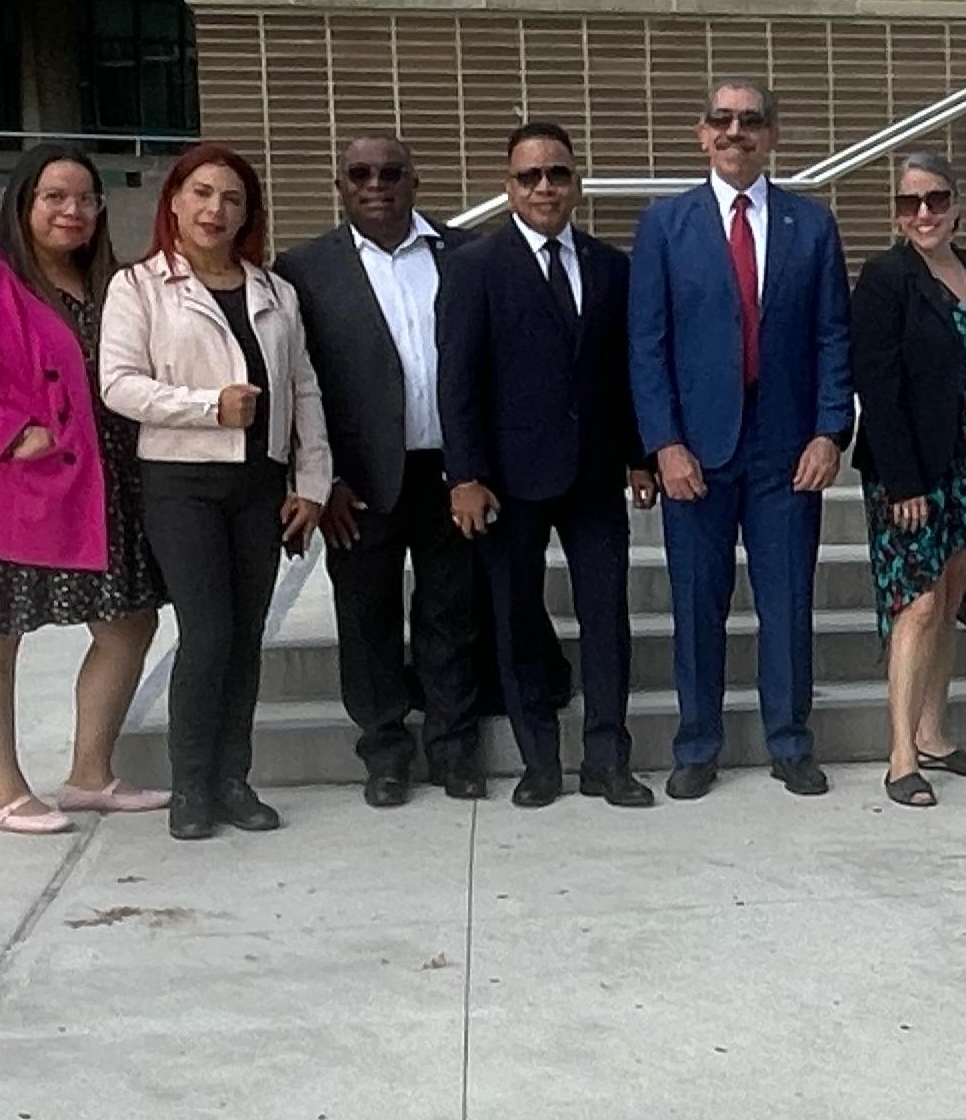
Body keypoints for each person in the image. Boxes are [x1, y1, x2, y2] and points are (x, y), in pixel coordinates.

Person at [0, 145, 167, 835]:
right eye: (54, 197)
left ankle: (90, 775)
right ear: (23, 203)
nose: (71, 211)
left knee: (130, 621)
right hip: (10, 487)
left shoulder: (108, 279)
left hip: (102, 483)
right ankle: (2, 792)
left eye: (84, 198)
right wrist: (8, 431)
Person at [629, 78, 854, 801]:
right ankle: (697, 745)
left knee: (787, 601)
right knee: (698, 602)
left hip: (785, 448)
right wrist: (662, 443)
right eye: (721, 121)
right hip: (695, 449)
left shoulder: (810, 225)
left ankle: (790, 742)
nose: (735, 133)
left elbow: (831, 336)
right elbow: (647, 343)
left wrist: (829, 430)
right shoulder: (666, 225)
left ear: (772, 135)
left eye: (750, 121)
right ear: (701, 134)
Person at [102, 144, 332, 842]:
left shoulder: (275, 291)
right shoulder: (138, 286)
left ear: (247, 214)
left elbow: (304, 389)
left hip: (258, 484)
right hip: (182, 482)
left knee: (245, 638)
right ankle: (190, 786)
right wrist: (207, 407)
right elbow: (117, 384)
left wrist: (313, 481)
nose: (214, 210)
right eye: (201, 193)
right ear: (173, 201)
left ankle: (234, 779)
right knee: (207, 633)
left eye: (230, 199)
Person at [437, 122, 657, 810]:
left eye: (556, 174)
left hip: (593, 474)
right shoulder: (474, 266)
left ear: (576, 183)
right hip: (507, 478)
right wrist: (464, 475)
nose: (544, 187)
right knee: (515, 617)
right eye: (529, 176)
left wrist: (639, 456)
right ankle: (539, 762)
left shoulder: (609, 266)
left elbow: (623, 373)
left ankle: (606, 759)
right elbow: (459, 378)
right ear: (508, 188)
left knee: (606, 619)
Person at [271, 131, 481, 809]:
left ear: (413, 180)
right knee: (367, 619)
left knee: (451, 613)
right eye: (359, 173)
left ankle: (453, 747)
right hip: (356, 481)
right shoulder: (304, 269)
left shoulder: (465, 254)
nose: (376, 183)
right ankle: (386, 753)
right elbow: (298, 385)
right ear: (341, 186)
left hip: (452, 472)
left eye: (391, 172)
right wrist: (317, 479)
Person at [847, 150, 966, 807]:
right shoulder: (885, 276)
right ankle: (900, 755)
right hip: (915, 474)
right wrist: (903, 483)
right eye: (908, 202)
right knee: (917, 603)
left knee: (949, 599)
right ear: (895, 213)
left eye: (935, 199)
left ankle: (934, 734)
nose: (923, 213)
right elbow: (878, 382)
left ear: (957, 204)